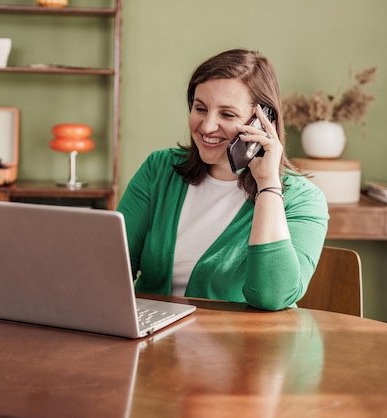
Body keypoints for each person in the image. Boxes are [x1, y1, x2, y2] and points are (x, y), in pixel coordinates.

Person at [117, 49, 328, 311]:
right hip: (152, 339)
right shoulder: (159, 169)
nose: (206, 126)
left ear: (263, 122)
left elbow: (273, 297)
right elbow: (111, 267)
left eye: (227, 115)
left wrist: (267, 185)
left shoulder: (302, 198)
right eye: (200, 108)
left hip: (242, 346)